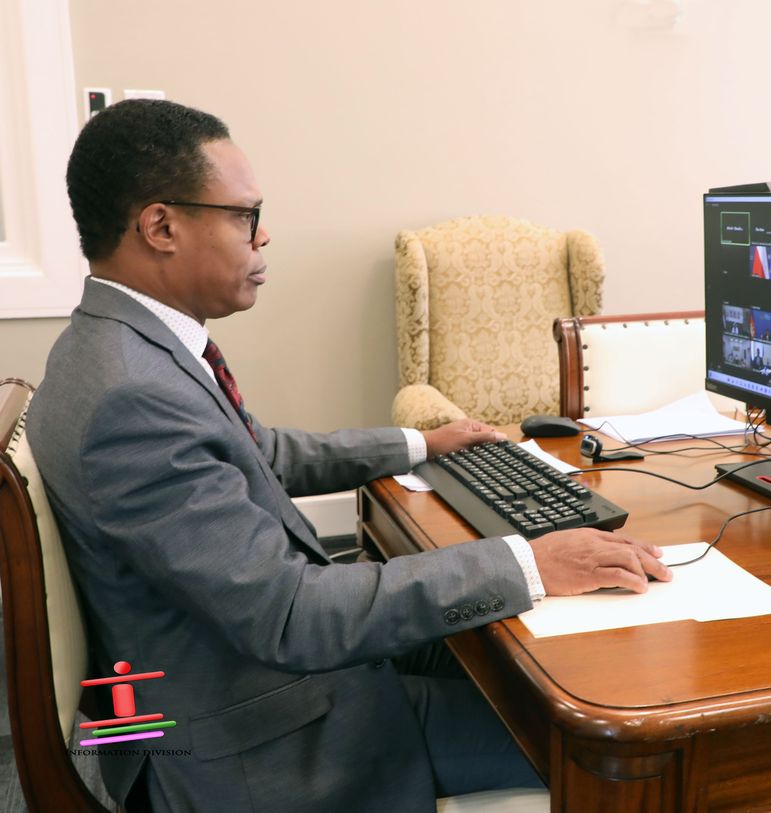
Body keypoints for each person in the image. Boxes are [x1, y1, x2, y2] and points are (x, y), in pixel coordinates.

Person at [25, 100, 672, 813]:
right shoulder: (133, 397)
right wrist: (528, 561)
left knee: (540, 648)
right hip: (268, 743)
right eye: (245, 214)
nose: (262, 233)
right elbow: (289, 614)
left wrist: (420, 443)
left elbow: (259, 450)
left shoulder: (116, 348)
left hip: (248, 679)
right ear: (161, 227)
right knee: (623, 740)